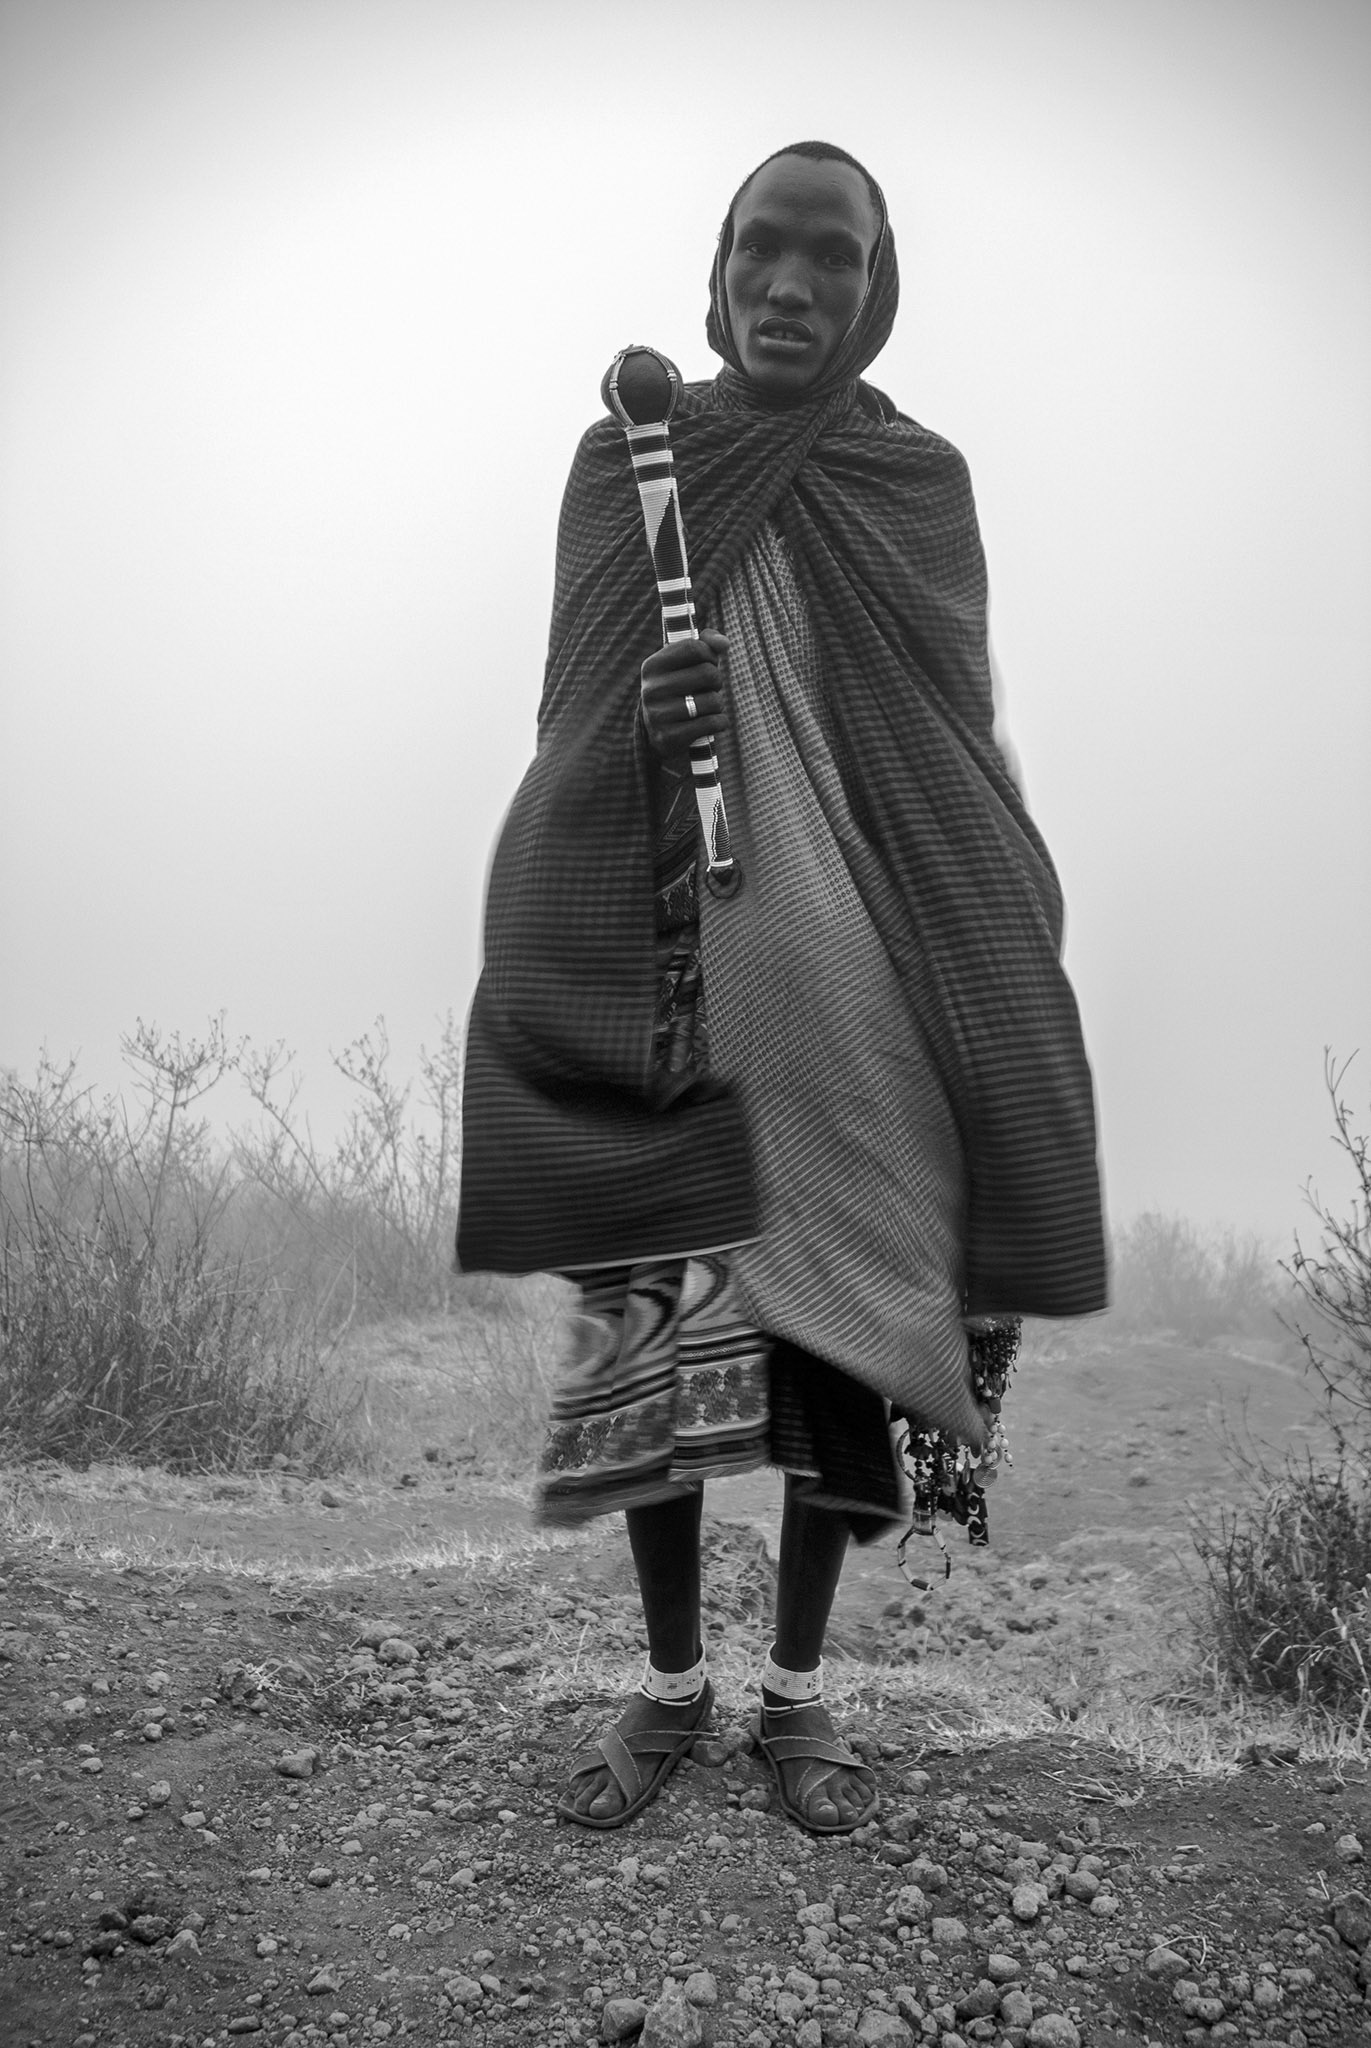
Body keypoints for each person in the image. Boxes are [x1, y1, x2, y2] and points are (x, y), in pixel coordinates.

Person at [457, 142, 1107, 1834]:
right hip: (673, 972)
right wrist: (645, 731)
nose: (793, 283)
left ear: (875, 285)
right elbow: (563, 728)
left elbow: (944, 751)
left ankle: (798, 1696)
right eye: (764, 247)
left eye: (833, 255)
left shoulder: (920, 483)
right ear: (719, 267)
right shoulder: (630, 466)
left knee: (848, 1355)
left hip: (858, 988)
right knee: (660, 1362)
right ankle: (672, 1684)